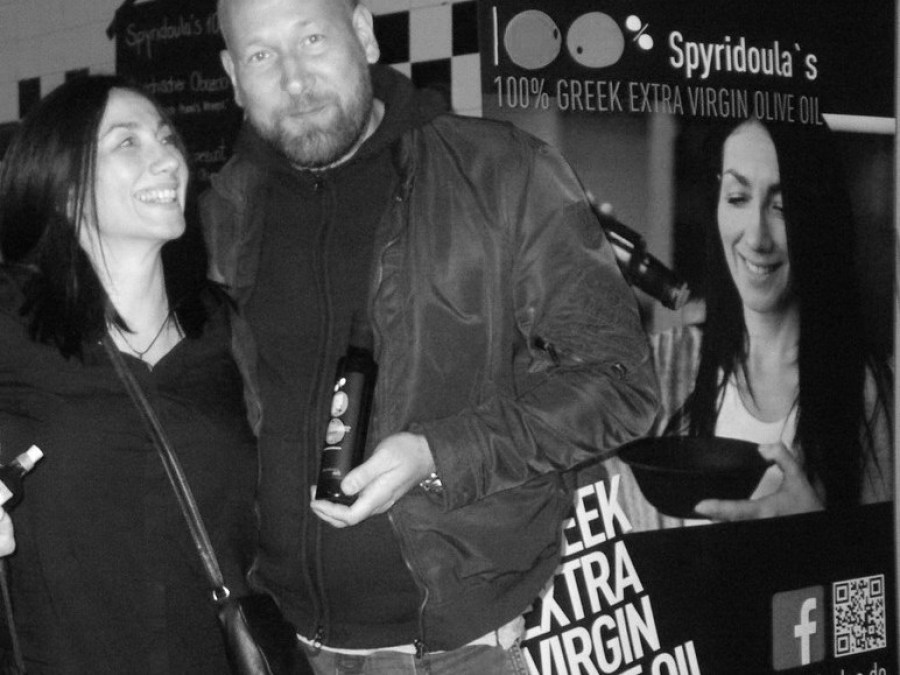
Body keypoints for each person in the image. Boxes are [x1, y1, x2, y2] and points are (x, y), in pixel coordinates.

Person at [202, 0, 659, 671]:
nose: (294, 79)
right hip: (285, 639)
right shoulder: (228, 206)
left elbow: (620, 384)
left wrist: (438, 453)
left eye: (312, 38)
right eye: (262, 55)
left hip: (452, 650)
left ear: (363, 35)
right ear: (233, 75)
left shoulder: (501, 171)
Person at [0, 75, 258, 673]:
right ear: (63, 186)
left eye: (166, 138)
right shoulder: (10, 320)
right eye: (127, 142)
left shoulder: (227, 330)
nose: (167, 159)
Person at [632, 117, 892, 527]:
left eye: (782, 207)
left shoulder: (876, 396)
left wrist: (816, 537)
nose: (756, 237)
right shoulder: (664, 363)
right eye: (737, 197)